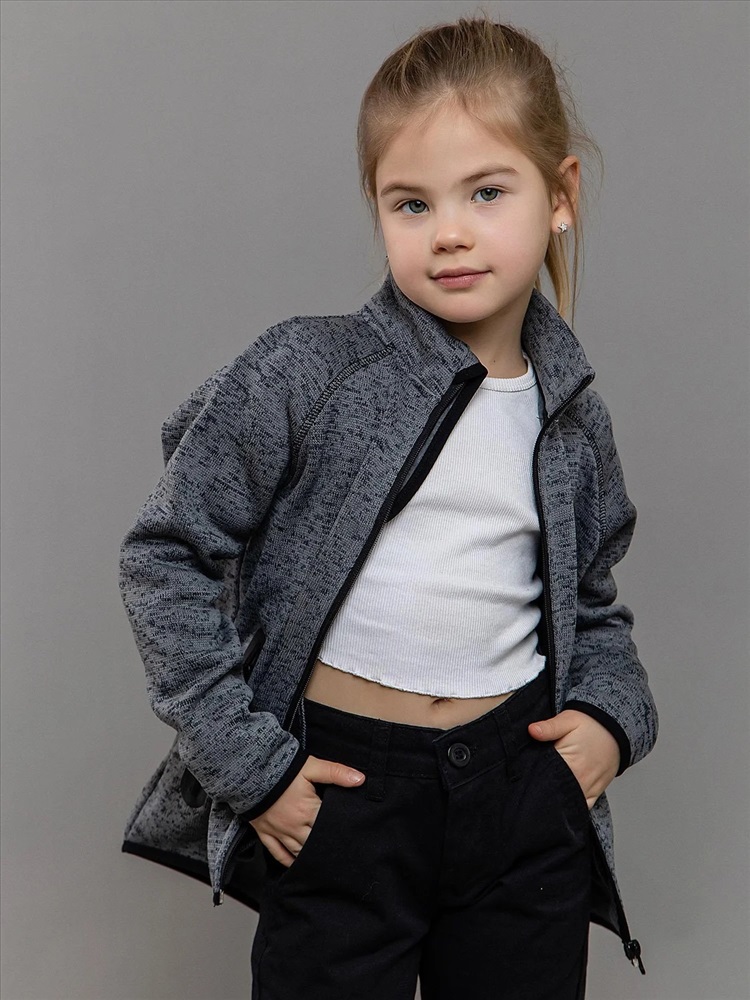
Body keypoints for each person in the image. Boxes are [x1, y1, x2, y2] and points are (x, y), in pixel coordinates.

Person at [119, 14, 658, 1000]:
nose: (448, 230)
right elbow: (164, 554)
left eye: (486, 192)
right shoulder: (309, 369)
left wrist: (611, 722)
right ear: (377, 208)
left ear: (561, 194)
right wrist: (252, 767)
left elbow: (594, 604)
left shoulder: (572, 415)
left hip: (520, 794)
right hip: (345, 798)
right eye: (411, 203)